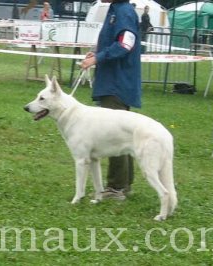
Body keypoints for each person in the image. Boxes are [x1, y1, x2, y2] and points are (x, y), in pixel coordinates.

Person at [80, 0, 141, 200]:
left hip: (117, 82)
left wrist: (98, 58)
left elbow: (125, 44)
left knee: (115, 135)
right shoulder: (116, 10)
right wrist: (97, 53)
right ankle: (124, 184)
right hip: (112, 81)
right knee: (123, 135)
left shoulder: (123, 12)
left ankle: (116, 188)